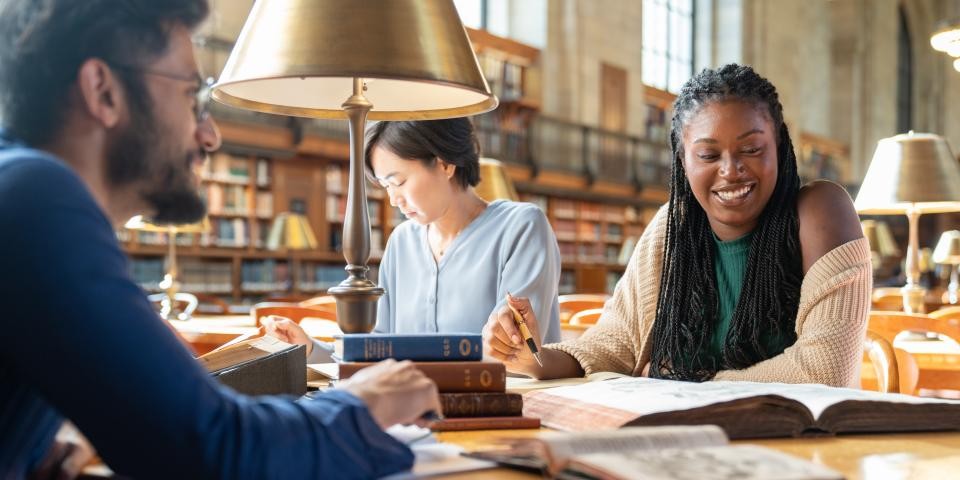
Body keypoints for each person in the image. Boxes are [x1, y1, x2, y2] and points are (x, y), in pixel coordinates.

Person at [0, 1, 441, 478]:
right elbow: (213, 447)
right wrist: (359, 403)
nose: (209, 136)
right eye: (193, 98)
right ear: (103, 92)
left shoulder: (20, 189)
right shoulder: (37, 197)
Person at [483, 64, 870, 387]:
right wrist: (532, 357)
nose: (731, 170)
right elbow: (616, 344)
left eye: (751, 150)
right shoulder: (673, 227)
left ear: (780, 148)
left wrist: (687, 381)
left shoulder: (821, 211)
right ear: (683, 161)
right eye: (708, 154)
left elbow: (825, 371)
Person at [265, 118, 562, 363]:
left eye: (399, 182)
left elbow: (514, 350)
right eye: (385, 186)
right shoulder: (401, 242)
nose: (393, 198)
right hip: (412, 413)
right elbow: (380, 351)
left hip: (503, 412)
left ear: (445, 163)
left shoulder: (522, 227)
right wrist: (310, 348)